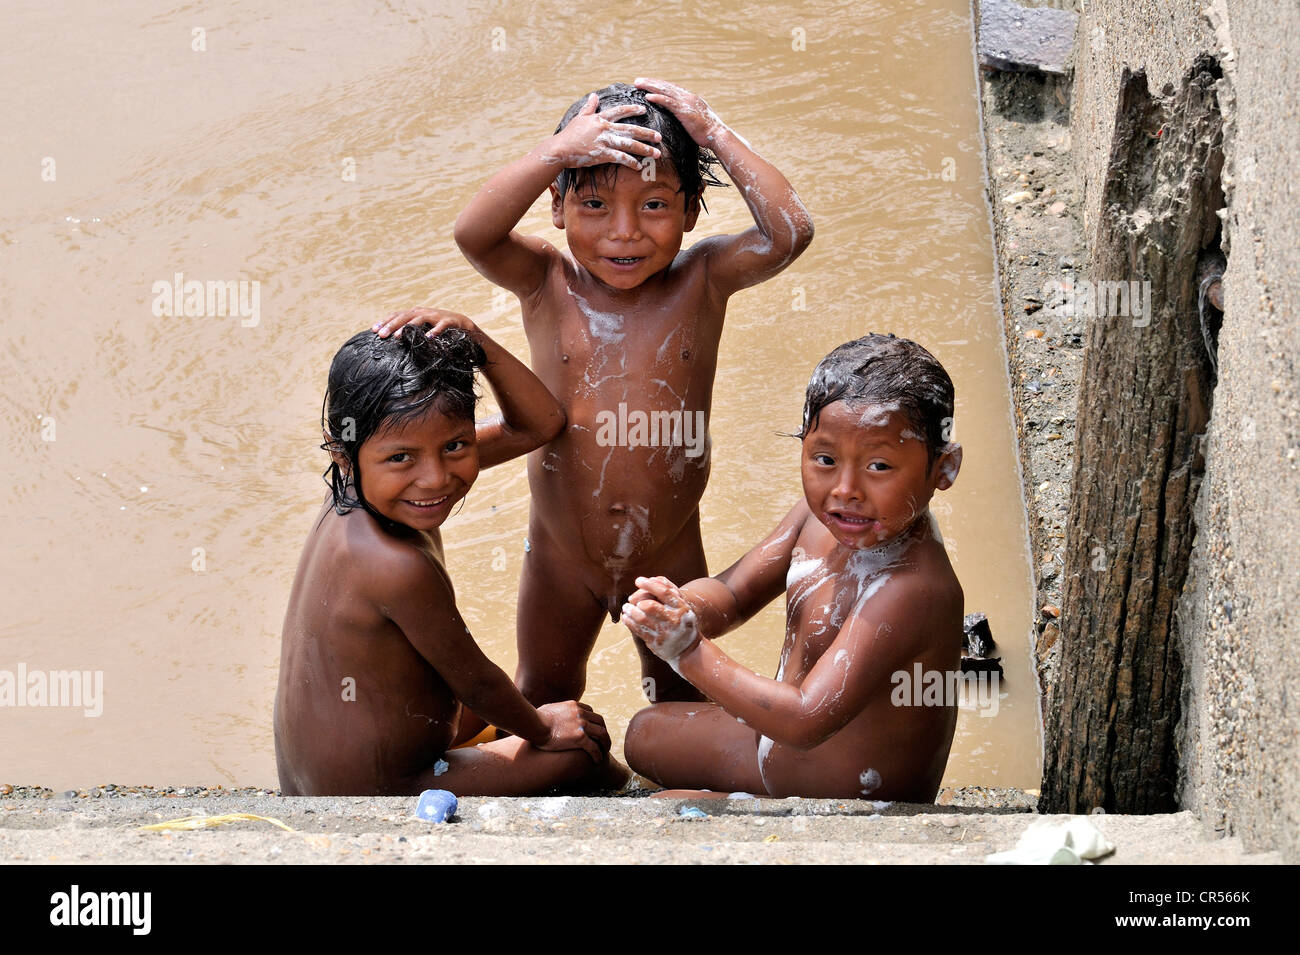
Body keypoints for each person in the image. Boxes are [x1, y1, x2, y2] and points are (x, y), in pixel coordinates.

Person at [441, 77, 814, 706]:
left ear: (692, 211)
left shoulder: (702, 281)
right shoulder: (544, 279)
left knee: (680, 703)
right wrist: (558, 151)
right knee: (544, 695)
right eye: (594, 206)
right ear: (556, 207)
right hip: (560, 554)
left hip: (668, 551)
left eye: (655, 205)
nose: (625, 233)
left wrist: (712, 130)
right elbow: (473, 234)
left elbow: (789, 233)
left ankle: (673, 786)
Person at [274, 309, 626, 796]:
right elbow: (476, 682)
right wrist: (545, 731)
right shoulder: (395, 565)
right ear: (343, 456)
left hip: (323, 771)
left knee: (519, 706)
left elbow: (541, 424)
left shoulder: (359, 487)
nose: (436, 478)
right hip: (381, 788)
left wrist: (475, 342)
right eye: (402, 458)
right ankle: (636, 796)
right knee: (580, 753)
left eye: (457, 446)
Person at [620, 334, 965, 801]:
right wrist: (679, 608)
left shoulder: (914, 588)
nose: (845, 489)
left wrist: (687, 652)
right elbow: (735, 594)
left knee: (666, 812)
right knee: (642, 736)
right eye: (824, 459)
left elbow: (805, 719)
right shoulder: (817, 517)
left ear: (943, 469)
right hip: (779, 748)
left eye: (879, 466)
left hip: (847, 801)